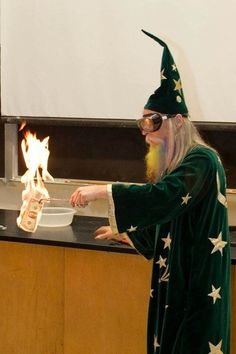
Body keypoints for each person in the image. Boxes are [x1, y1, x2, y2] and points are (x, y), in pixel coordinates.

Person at [70, 30, 230, 354]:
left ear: (178, 121)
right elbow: (166, 215)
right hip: (173, 291)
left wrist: (100, 191)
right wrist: (130, 234)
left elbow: (163, 197)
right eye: (142, 124)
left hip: (196, 291)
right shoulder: (178, 166)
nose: (146, 133)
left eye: (153, 122)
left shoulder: (202, 160)